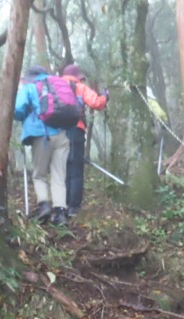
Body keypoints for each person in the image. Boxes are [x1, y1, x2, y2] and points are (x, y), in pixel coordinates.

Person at [14, 66, 71, 226]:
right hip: (62, 135)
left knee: (39, 174)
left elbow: (17, 109)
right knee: (59, 175)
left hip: (42, 135)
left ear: (29, 77)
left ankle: (44, 206)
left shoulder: (31, 87)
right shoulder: (57, 85)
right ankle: (60, 213)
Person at [61, 64, 109, 218]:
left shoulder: (54, 86)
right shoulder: (79, 87)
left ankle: (63, 204)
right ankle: (73, 207)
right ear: (77, 76)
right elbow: (96, 103)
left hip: (57, 132)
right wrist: (105, 96)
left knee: (65, 168)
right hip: (75, 130)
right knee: (75, 168)